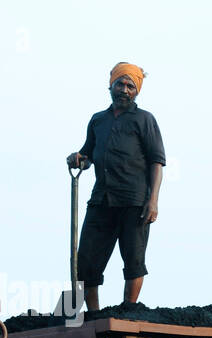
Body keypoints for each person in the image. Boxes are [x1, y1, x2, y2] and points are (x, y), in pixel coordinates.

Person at [66, 62, 166, 312]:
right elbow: (88, 156)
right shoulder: (98, 121)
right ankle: (92, 314)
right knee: (85, 261)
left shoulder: (145, 120)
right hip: (101, 201)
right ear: (110, 85)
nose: (124, 89)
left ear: (137, 91)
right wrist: (78, 158)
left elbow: (157, 162)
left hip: (134, 202)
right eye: (120, 83)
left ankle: (128, 310)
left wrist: (153, 201)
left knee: (133, 260)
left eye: (130, 85)